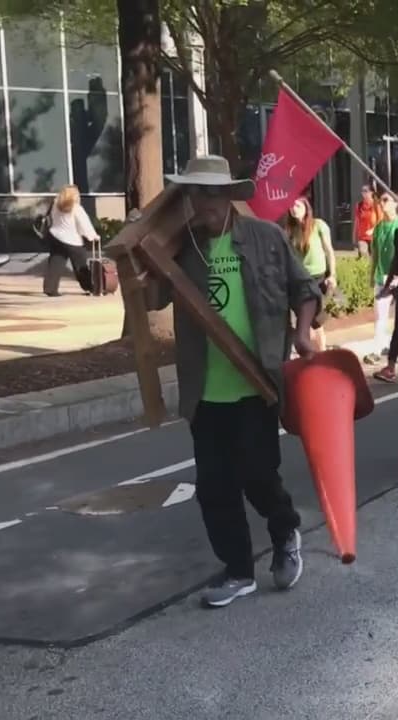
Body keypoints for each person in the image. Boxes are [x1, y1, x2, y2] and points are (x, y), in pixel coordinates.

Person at [144, 155, 320, 608]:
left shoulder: (265, 237)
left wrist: (301, 332)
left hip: (256, 383)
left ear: (226, 196)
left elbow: (305, 289)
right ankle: (239, 570)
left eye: (209, 193)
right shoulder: (180, 249)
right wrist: (132, 255)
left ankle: (285, 532)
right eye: (194, 194)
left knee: (259, 476)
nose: (201, 203)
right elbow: (151, 297)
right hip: (205, 392)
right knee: (215, 487)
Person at [282, 196, 336, 350]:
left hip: (317, 278)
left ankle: (321, 352)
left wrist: (332, 275)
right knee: (304, 319)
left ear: (306, 208)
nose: (294, 209)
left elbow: (329, 251)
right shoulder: (290, 230)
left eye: (298, 205)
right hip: (300, 279)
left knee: (315, 320)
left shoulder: (318, 225)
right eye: (291, 206)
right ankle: (312, 352)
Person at [43, 184, 100, 297]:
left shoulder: (55, 204)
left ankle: (50, 288)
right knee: (80, 265)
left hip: (55, 237)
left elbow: (49, 219)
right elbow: (84, 225)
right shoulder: (76, 208)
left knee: (55, 263)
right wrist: (93, 236)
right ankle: (90, 287)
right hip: (72, 240)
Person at [369, 191, 398, 354]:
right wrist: (372, 274)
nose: (382, 203)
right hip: (382, 276)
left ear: (396, 203)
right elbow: (375, 254)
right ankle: (378, 347)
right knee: (380, 314)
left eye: (386, 200)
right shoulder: (378, 227)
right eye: (380, 200)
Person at [353, 185, 383, 257]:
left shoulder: (376, 204)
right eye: (362, 191)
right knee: (363, 253)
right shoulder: (359, 205)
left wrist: (373, 229)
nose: (364, 193)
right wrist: (354, 236)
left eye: (366, 191)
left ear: (371, 193)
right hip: (362, 236)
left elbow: (381, 219)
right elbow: (357, 221)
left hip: (374, 236)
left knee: (374, 257)